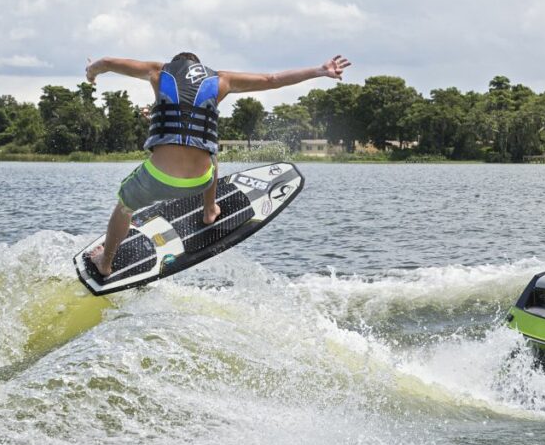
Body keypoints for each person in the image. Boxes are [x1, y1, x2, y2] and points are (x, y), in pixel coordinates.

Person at [83, 51, 351, 278]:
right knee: (211, 152)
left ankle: (105, 263)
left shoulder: (157, 72)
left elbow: (105, 62)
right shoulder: (221, 80)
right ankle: (210, 209)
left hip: (156, 180)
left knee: (124, 206)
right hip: (200, 180)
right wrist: (320, 70)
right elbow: (273, 80)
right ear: (200, 68)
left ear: (175, 65)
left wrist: (92, 72)